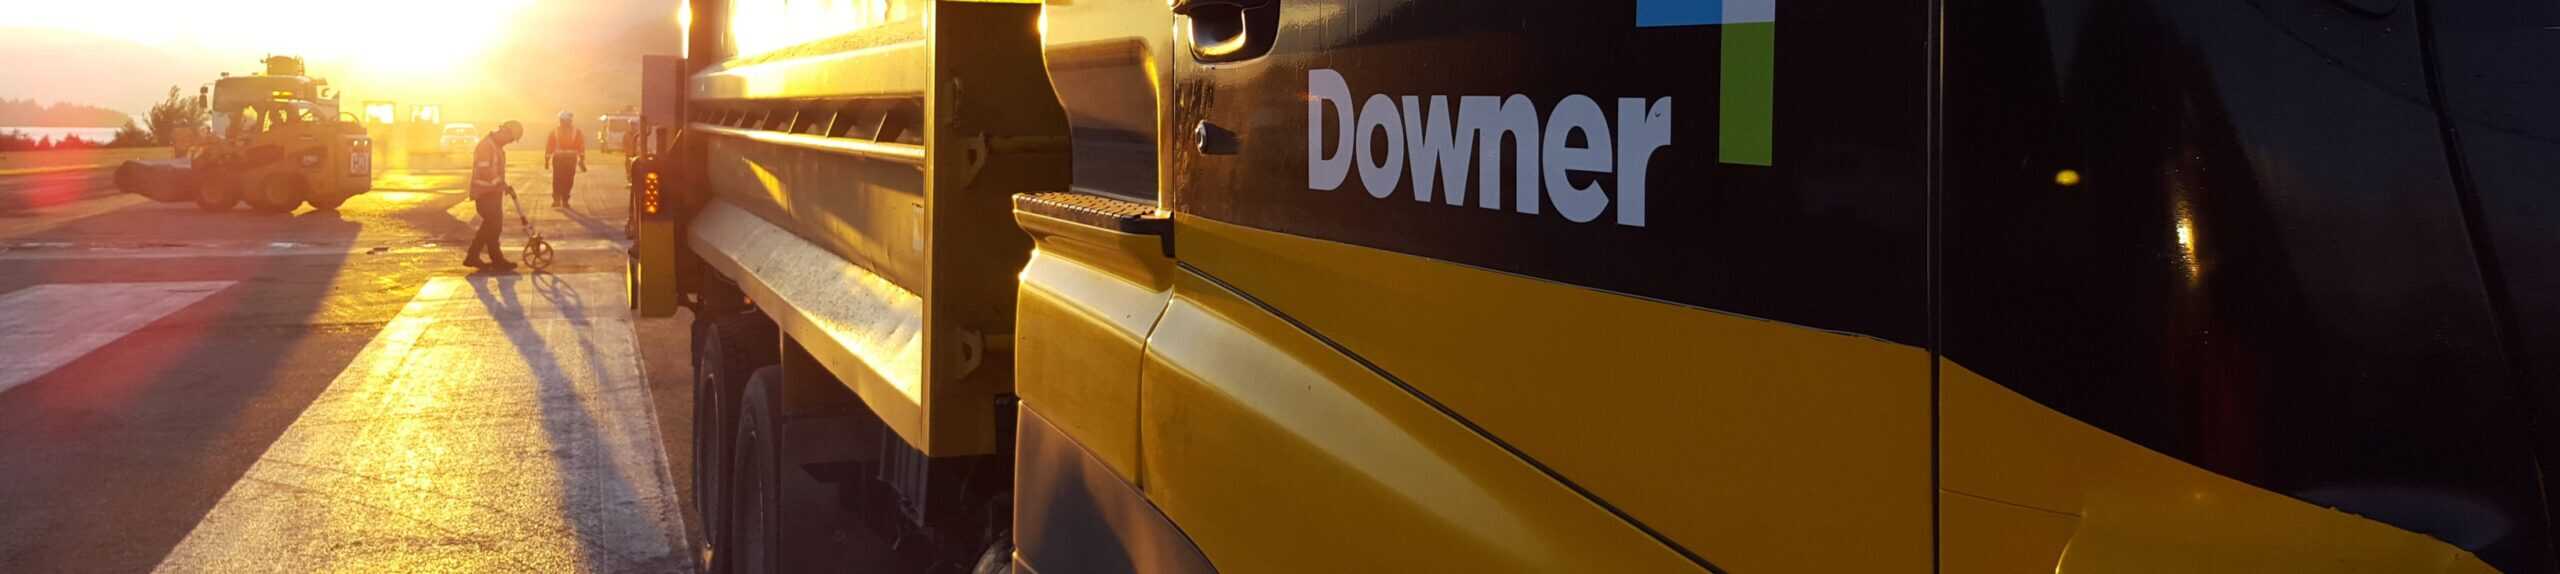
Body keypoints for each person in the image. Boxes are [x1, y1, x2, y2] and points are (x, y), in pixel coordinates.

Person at [466, 121, 524, 271]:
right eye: (510, 139)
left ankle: (480, 257)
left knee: (493, 226)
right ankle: (484, 257)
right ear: (504, 132)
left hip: (492, 192)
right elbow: (485, 171)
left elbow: (495, 171)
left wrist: (503, 184)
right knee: (492, 224)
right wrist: (500, 184)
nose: (509, 142)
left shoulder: (495, 146)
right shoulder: (486, 146)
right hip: (484, 192)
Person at [544, 111, 587, 208]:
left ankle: (563, 200)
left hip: (567, 159)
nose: (563, 122)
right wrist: (546, 159)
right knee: (559, 179)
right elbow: (549, 146)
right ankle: (558, 200)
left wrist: (582, 159)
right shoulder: (556, 131)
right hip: (563, 159)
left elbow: (581, 146)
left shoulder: (575, 131)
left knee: (567, 180)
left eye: (564, 120)